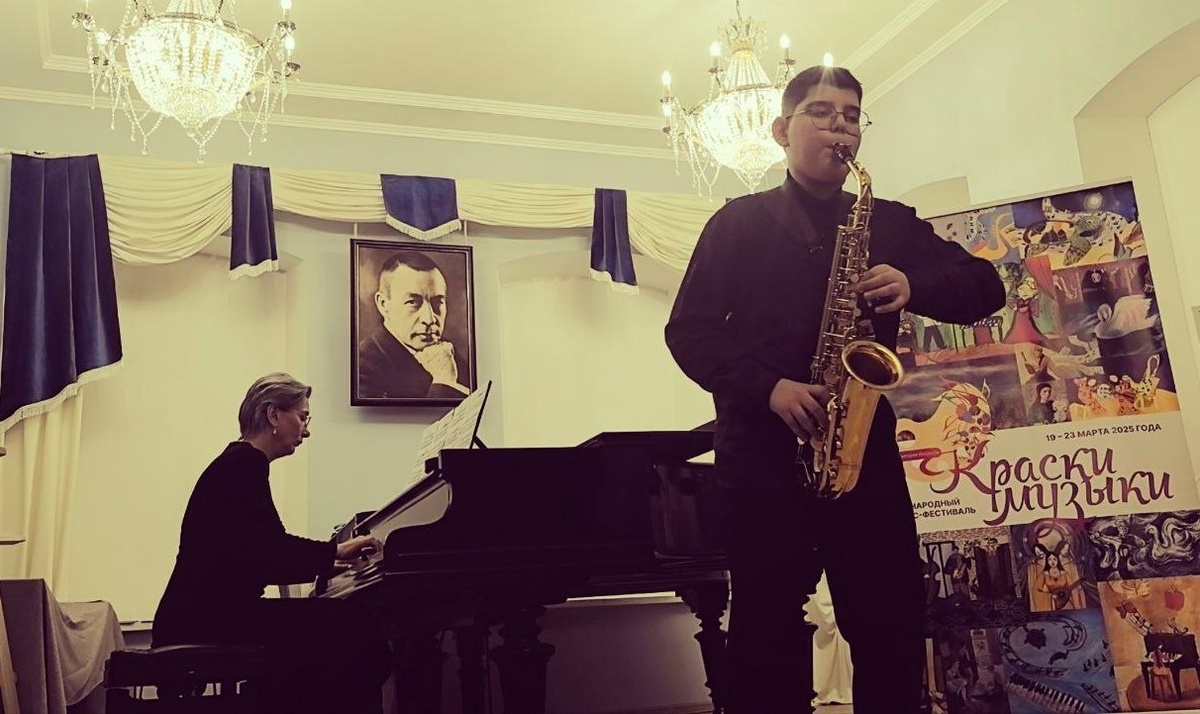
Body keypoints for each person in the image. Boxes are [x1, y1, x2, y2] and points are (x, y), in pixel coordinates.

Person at [664, 65, 1006, 714]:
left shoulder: (891, 222)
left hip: (862, 450)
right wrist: (770, 388)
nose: (840, 127)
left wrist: (915, 284)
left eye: (852, 116)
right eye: (822, 113)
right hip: (761, 453)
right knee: (766, 626)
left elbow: (987, 288)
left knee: (890, 620)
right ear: (781, 130)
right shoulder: (737, 223)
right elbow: (690, 332)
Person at [152, 373, 390, 713]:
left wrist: (329, 561)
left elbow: (254, 553)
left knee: (333, 633)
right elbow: (269, 552)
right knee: (354, 626)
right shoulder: (244, 463)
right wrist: (334, 552)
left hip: (198, 613)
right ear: (274, 415)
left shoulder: (237, 462)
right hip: (208, 617)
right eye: (303, 417)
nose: (306, 430)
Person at [358, 250, 470, 399]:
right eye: (413, 302)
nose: (429, 319)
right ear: (383, 304)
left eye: (437, 302)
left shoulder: (451, 355)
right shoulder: (363, 366)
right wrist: (444, 381)